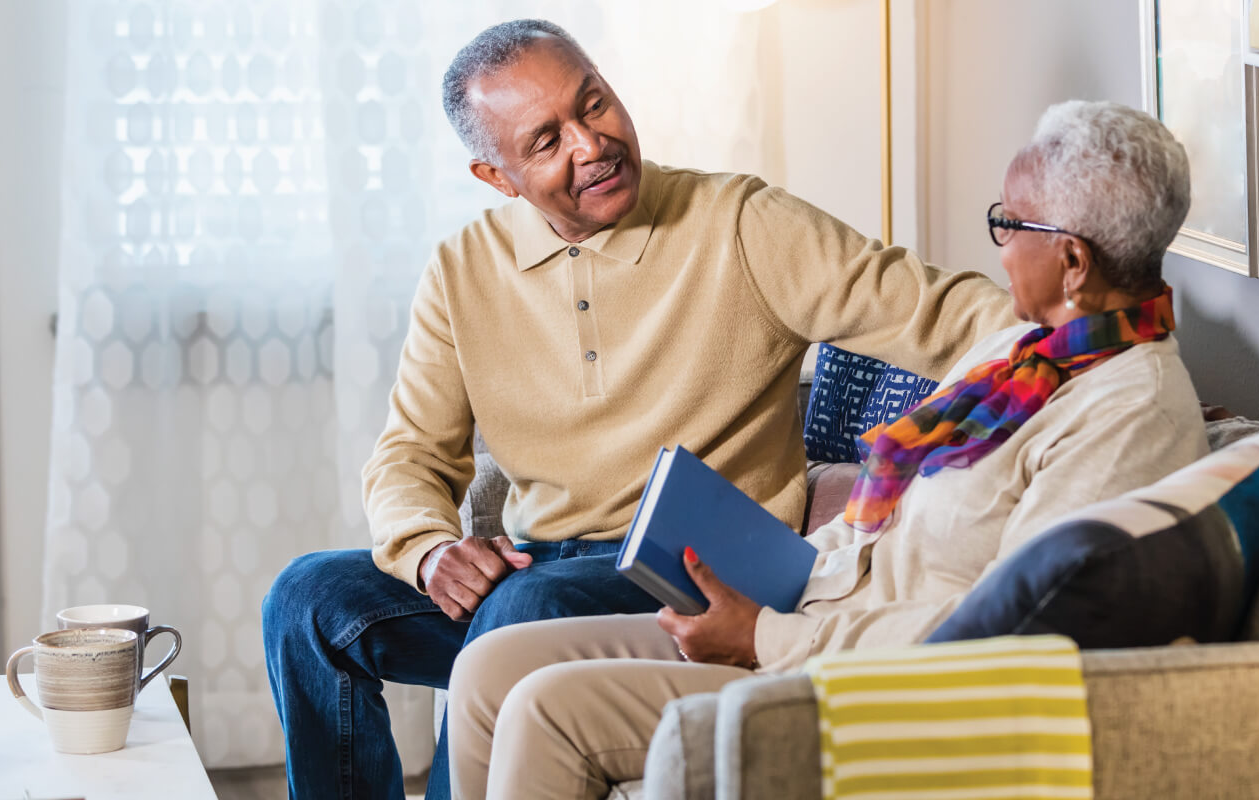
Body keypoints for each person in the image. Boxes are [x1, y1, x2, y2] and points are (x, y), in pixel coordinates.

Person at [260, 18, 1015, 800]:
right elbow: (410, 452)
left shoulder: (739, 222)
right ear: (497, 176)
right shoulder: (462, 270)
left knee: (526, 605)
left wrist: (1078, 334)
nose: (591, 144)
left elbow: (939, 312)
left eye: (595, 104)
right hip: (543, 561)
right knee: (310, 598)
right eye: (547, 141)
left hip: (701, 567)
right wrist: (425, 550)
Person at [441, 99, 1210, 799]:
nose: (1000, 246)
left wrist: (763, 638)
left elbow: (1011, 636)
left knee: (549, 707)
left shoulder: (1128, 415)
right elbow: (883, 520)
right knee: (488, 668)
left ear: (1072, 261)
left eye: (1009, 225)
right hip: (809, 609)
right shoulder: (1024, 352)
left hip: (874, 684)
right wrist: (766, 582)